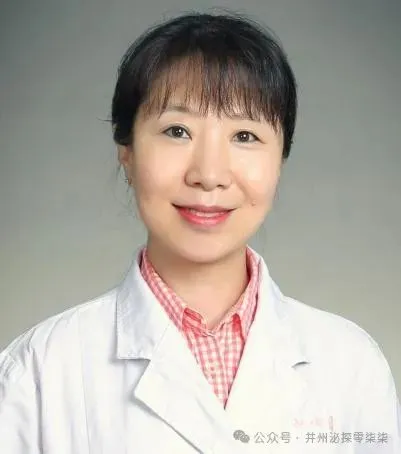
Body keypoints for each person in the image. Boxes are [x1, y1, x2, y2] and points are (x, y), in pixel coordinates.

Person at [0, 11, 400, 454]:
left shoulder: (351, 365)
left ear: (280, 160)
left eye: (244, 136)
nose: (209, 175)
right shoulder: (38, 371)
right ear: (126, 152)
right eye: (177, 131)